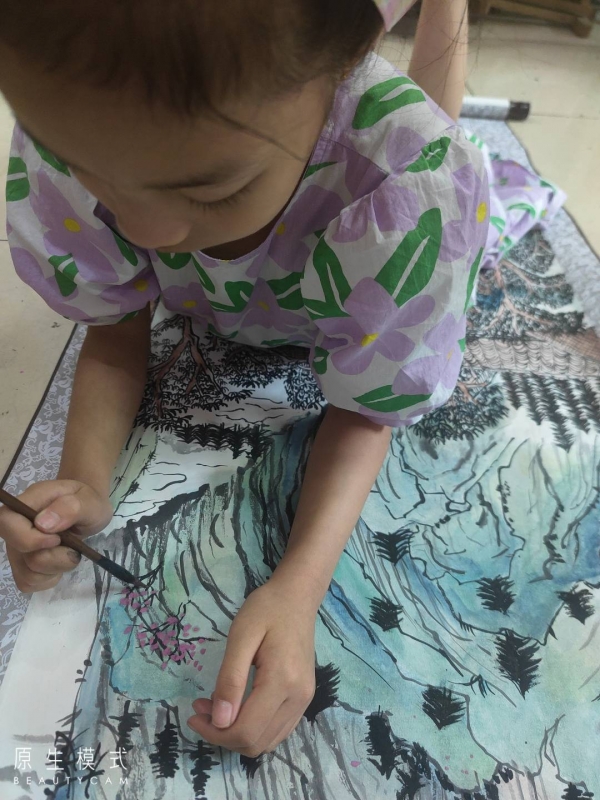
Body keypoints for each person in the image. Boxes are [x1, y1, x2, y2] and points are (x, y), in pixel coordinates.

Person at [0, 0, 563, 757]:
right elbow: (116, 325)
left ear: (336, 72)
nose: (144, 230)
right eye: (86, 168)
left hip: (379, 190)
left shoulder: (404, 178)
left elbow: (368, 408)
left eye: (209, 188)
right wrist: (84, 481)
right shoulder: (81, 113)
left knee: (430, 130)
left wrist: (300, 586)